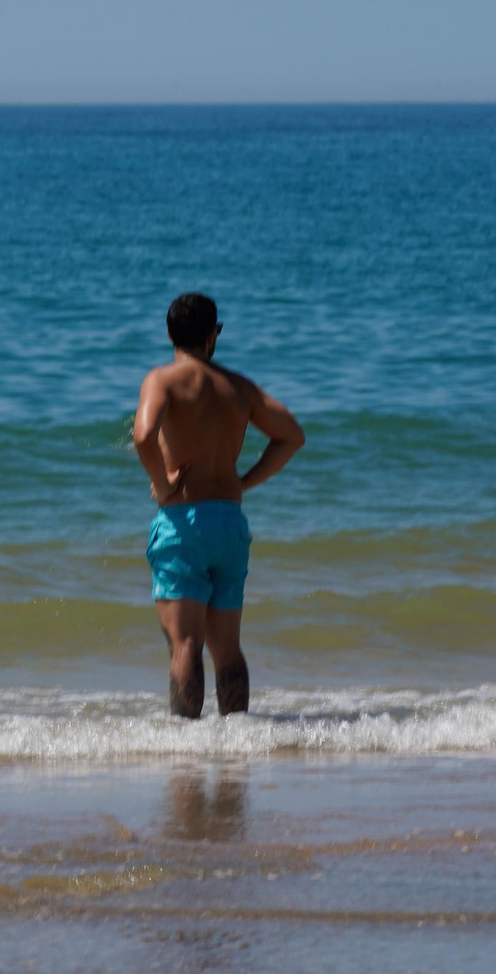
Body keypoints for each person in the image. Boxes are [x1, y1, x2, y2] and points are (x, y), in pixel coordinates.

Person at [133, 294, 304, 718]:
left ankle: (186, 746)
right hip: (229, 522)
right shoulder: (239, 387)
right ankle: (237, 740)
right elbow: (291, 436)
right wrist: (244, 481)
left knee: (185, 643)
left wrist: (163, 483)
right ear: (215, 334)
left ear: (170, 334)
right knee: (227, 649)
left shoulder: (162, 381)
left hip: (183, 522)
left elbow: (142, 436)